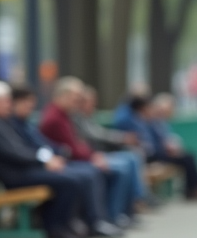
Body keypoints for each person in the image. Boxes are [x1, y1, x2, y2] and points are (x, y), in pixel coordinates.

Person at [0, 81, 93, 238]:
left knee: (71, 177)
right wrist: (43, 162)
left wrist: (46, 159)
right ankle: (55, 227)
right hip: (15, 176)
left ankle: (62, 224)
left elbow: (25, 147)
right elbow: (14, 153)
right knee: (69, 180)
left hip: (23, 171)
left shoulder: (2, 122)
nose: (9, 105)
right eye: (5, 101)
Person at [7, 84, 123, 238]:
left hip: (40, 166)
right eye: (26, 102)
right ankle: (61, 225)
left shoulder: (27, 122)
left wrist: (58, 154)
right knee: (77, 177)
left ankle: (93, 221)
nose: (30, 105)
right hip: (22, 173)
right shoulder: (48, 118)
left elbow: (42, 144)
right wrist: (50, 159)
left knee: (89, 173)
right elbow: (20, 151)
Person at [39, 77, 145, 226]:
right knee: (106, 170)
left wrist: (92, 155)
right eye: (75, 98)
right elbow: (71, 148)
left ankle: (120, 213)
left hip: (76, 158)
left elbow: (76, 145)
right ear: (63, 96)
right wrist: (92, 156)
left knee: (128, 160)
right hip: (69, 161)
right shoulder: (56, 117)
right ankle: (104, 219)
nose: (77, 102)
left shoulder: (65, 114)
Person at [116, 94, 197, 199]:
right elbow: (122, 118)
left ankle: (196, 187)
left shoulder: (151, 121)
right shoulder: (135, 120)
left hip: (155, 152)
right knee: (186, 158)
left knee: (189, 155)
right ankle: (192, 189)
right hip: (154, 155)